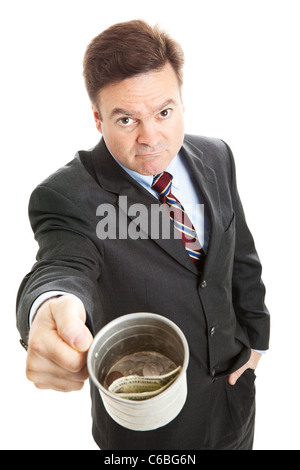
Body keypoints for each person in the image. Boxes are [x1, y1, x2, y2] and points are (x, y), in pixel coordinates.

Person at [16, 19, 270, 450]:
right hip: (146, 424)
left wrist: (256, 342)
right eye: (126, 119)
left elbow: (240, 254)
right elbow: (63, 265)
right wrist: (50, 304)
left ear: (182, 103)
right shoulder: (67, 196)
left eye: (164, 112)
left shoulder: (216, 154)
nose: (151, 137)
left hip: (232, 397)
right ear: (98, 119)